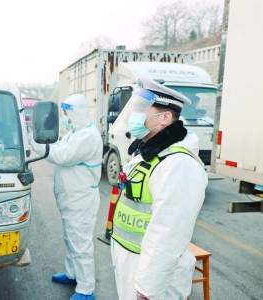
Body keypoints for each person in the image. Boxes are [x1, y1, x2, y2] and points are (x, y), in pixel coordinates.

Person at [109, 77, 208, 300]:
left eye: (141, 109)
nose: (134, 116)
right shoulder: (148, 152)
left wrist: (147, 291)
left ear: (165, 117)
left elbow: (168, 234)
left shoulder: (178, 165)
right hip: (132, 263)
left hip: (155, 283)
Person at [30, 94, 103, 300]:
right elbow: (61, 147)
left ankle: (86, 289)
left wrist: (33, 141)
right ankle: (73, 274)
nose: (65, 117)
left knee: (80, 242)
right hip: (71, 198)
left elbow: (61, 155)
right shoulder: (76, 133)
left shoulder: (88, 136)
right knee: (70, 238)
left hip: (80, 199)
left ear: (77, 112)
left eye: (67, 113)